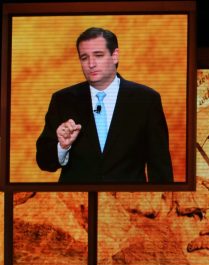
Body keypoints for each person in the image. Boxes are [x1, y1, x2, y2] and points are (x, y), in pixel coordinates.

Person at [36, 27, 173, 183]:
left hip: (128, 204)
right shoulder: (62, 100)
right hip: (77, 203)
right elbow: (44, 161)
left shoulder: (146, 100)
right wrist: (62, 147)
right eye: (84, 57)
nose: (91, 64)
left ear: (114, 56)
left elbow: (160, 167)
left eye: (98, 55)